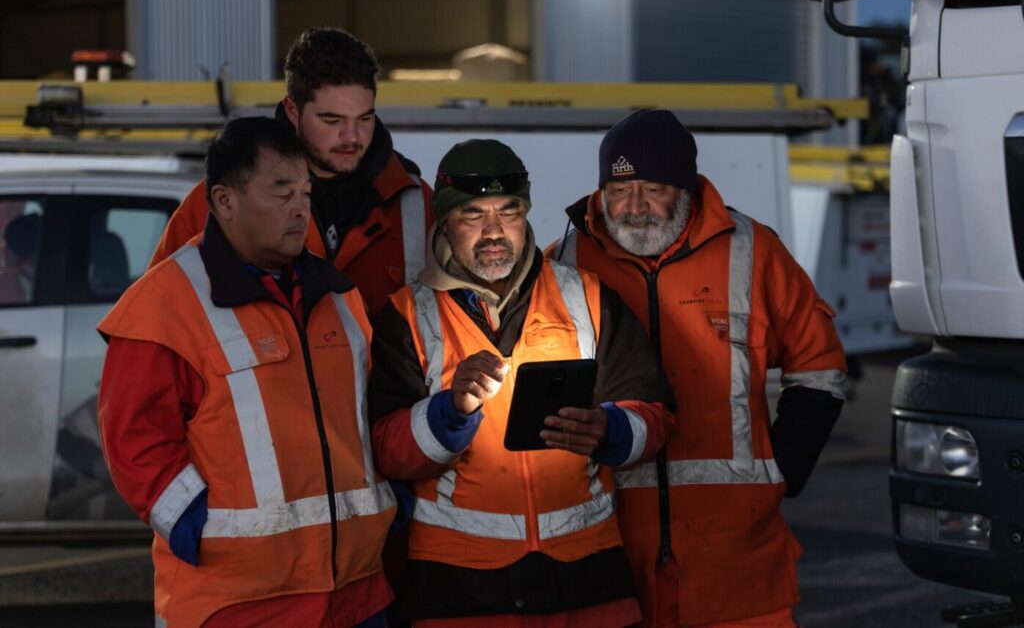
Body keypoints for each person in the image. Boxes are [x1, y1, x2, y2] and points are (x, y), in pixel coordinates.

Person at [549, 109, 847, 628]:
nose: (634, 208)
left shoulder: (754, 251)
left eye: (653, 188)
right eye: (619, 190)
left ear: (686, 188)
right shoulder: (562, 262)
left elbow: (819, 367)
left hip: (737, 556)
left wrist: (784, 471)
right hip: (607, 549)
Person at [98, 117, 395, 627]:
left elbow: (367, 419)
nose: (301, 207)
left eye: (306, 191)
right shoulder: (164, 304)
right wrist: (197, 526)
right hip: (238, 602)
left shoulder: (340, 297)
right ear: (224, 201)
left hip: (355, 594)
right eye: (282, 192)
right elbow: (135, 439)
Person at [369, 138, 675, 627]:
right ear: (444, 220)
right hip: (458, 590)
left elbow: (655, 413)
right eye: (473, 215)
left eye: (509, 211)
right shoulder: (404, 315)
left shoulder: (587, 296)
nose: (495, 231)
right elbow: (384, 449)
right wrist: (450, 413)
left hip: (590, 581)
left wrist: (609, 430)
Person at [149, 27, 432, 316]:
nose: (352, 136)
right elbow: (153, 322)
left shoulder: (415, 204)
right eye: (332, 120)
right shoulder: (219, 203)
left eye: (365, 118)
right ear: (293, 111)